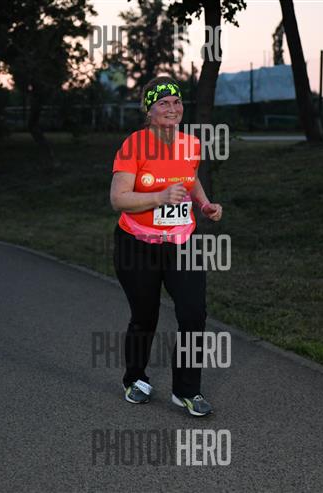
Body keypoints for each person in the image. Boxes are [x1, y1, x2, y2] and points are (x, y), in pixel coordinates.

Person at [110, 76, 223, 417]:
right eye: (163, 103)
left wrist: (204, 203)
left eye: (176, 102)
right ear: (149, 110)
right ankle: (135, 378)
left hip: (182, 242)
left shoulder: (191, 144)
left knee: (193, 313)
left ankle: (186, 391)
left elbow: (191, 178)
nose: (172, 108)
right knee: (145, 316)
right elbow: (118, 199)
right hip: (137, 245)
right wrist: (159, 197)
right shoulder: (134, 146)